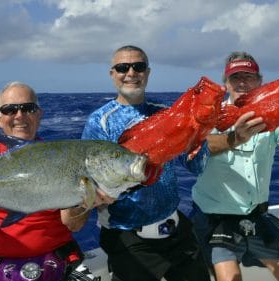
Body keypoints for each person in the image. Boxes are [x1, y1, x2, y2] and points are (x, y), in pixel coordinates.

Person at [0, 82, 100, 281]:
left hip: (60, 257)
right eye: (10, 110)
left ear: (39, 114)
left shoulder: (59, 156)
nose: (19, 116)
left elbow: (73, 225)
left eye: (28, 108)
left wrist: (79, 195)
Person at [192, 51, 279, 281]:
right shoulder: (211, 116)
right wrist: (234, 137)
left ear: (260, 81)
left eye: (249, 76)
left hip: (256, 217)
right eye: (235, 78)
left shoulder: (272, 112)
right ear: (225, 84)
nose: (242, 82)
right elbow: (199, 147)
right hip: (215, 219)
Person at [81, 45, 211, 281]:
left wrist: (200, 135)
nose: (131, 73)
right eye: (122, 67)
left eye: (138, 67)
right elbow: (90, 179)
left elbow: (196, 167)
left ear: (148, 73)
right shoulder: (100, 122)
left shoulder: (167, 114)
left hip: (175, 229)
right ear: (112, 74)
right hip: (127, 237)